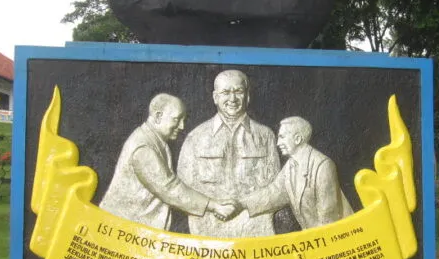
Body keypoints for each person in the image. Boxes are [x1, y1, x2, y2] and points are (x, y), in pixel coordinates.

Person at [99, 94, 236, 229]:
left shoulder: (155, 141)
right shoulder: (143, 148)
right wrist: (213, 205)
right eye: (176, 119)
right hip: (119, 229)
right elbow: (169, 189)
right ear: (158, 116)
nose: (182, 126)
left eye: (183, 120)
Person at [177, 70, 280, 237]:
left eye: (238, 91)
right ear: (215, 97)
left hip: (255, 233)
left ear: (247, 96)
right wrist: (213, 205)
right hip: (207, 233)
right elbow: (183, 186)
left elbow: (276, 187)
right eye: (225, 92)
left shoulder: (265, 136)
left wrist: (242, 204)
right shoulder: (195, 137)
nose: (232, 99)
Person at [240, 117, 353, 230]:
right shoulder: (291, 165)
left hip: (340, 237)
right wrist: (240, 204)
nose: (278, 143)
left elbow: (329, 217)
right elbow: (273, 193)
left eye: (282, 137)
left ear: (297, 139)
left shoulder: (323, 165)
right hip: (317, 239)